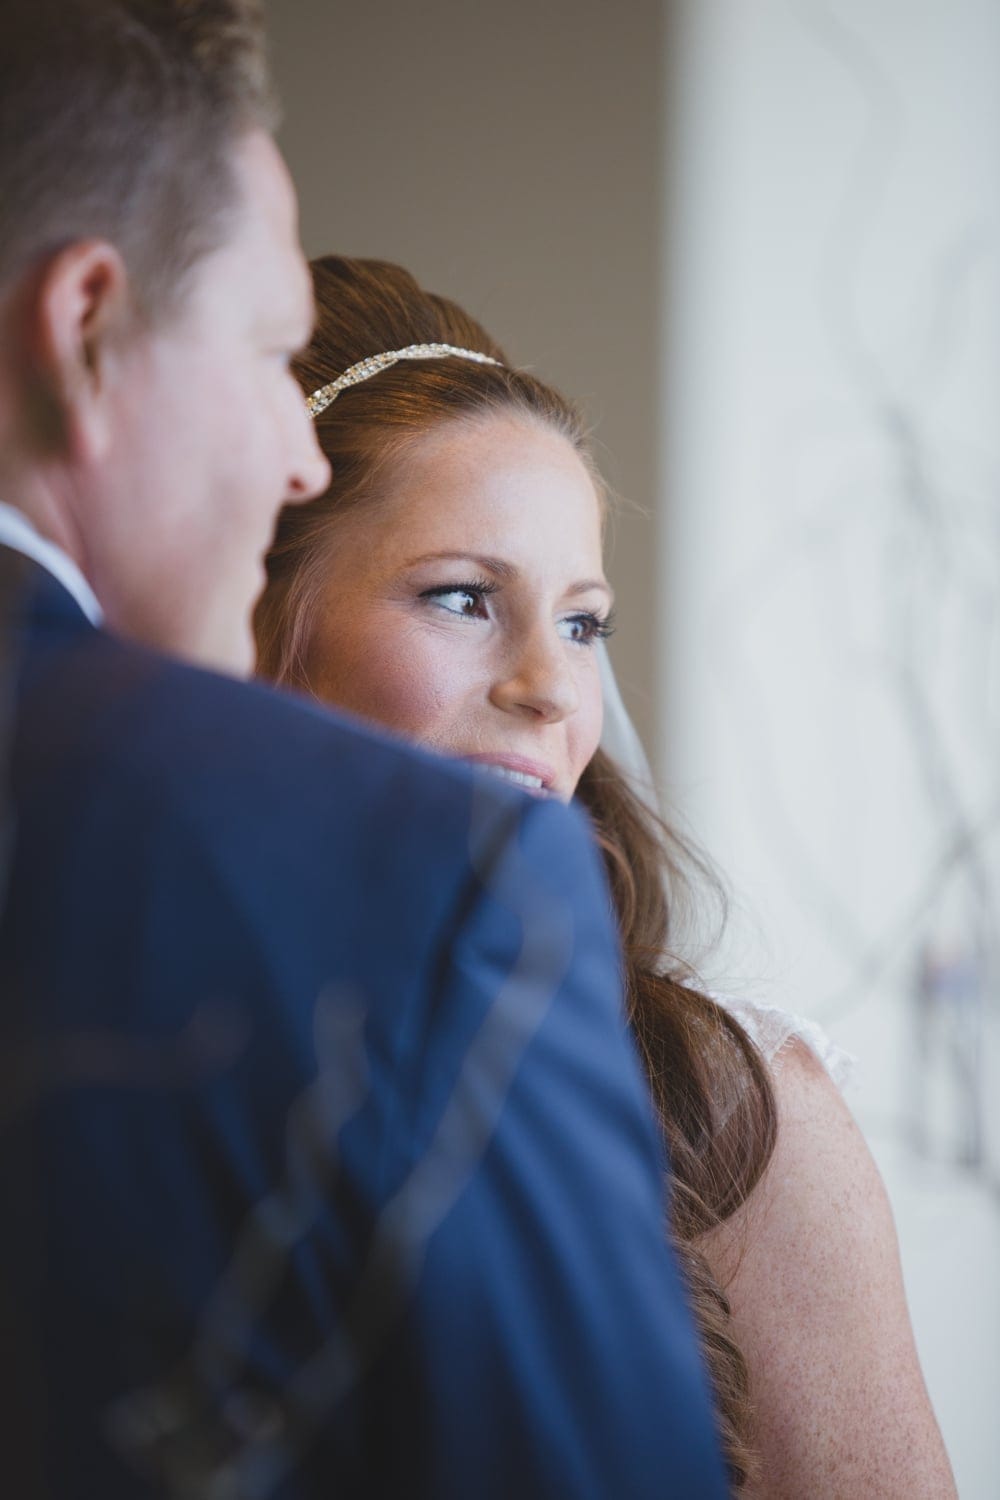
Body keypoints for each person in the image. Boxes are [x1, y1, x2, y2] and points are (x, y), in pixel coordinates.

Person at [0, 5, 730, 1498]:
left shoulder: (728, 1098)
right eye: (269, 355)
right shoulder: (431, 889)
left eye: (588, 623)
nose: (292, 455)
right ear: (80, 327)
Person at [256, 254, 959, 1499]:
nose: (551, 686)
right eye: (464, 598)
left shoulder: (730, 1115)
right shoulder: (111, 1054)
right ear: (262, 623)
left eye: (583, 622)